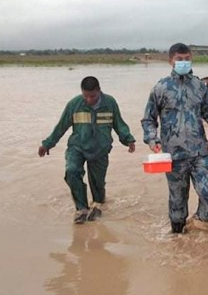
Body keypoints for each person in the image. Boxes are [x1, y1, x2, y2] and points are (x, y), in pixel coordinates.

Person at [141, 43, 208, 234]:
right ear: (170, 61)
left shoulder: (201, 87)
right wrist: (153, 139)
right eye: (179, 59)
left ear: (191, 58)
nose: (183, 62)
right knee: (177, 200)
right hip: (173, 155)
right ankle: (178, 236)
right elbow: (148, 119)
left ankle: (202, 224)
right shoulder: (161, 88)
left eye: (186, 59)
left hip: (200, 152)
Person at [38, 76, 136, 223]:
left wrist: (128, 140)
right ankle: (81, 208)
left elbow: (119, 123)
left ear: (99, 91)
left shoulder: (110, 103)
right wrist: (47, 144)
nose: (89, 100)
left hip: (100, 149)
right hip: (77, 147)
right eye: (86, 96)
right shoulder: (74, 104)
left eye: (93, 96)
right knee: (71, 171)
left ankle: (98, 204)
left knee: (98, 184)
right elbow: (61, 127)